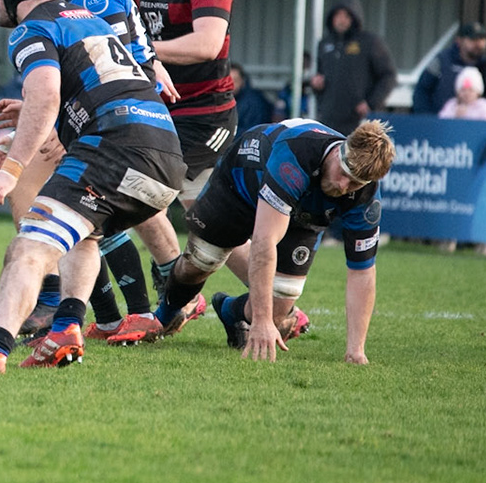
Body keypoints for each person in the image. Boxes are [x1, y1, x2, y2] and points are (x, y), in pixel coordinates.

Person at [0, 0, 185, 374]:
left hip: (116, 149)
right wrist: (34, 114)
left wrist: (11, 171)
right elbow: (97, 85)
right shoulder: (89, 20)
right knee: (84, 237)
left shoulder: (32, 29)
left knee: (28, 247)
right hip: (165, 159)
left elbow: (45, 93)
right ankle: (66, 329)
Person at [10, 0, 174, 341]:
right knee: (92, 208)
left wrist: (59, 123)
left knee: (74, 195)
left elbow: (112, 63)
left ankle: (143, 296)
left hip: (127, 115)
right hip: (104, 113)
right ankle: (105, 309)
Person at [138, 118, 396, 364]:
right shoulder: (296, 155)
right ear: (340, 150)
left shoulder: (366, 195)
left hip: (303, 214)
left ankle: (228, 310)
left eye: (354, 182)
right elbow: (264, 241)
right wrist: (260, 323)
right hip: (240, 187)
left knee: (281, 304)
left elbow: (362, 271)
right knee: (199, 263)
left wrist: (356, 350)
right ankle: (165, 316)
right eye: (343, 171)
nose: (343, 185)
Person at [125, 0, 237, 207]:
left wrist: (145, 51)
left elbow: (207, 45)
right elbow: (120, 25)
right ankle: (170, 262)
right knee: (202, 223)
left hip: (203, 114)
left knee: (131, 193)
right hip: (155, 107)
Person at [311, 0, 397, 137]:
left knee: (356, 157)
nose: (341, 20)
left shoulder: (369, 42)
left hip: (358, 120)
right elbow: (320, 75)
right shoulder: (324, 44)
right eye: (338, 15)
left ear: (354, 18)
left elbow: (388, 76)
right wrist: (316, 85)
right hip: (328, 119)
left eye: (346, 16)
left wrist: (371, 103)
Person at [412, 21, 486, 115]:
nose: (478, 44)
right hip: (441, 122)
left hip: (475, 126)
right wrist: (427, 117)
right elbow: (422, 89)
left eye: (482, 39)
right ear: (459, 41)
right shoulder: (442, 60)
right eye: (473, 39)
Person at [231, 64, 274, 132]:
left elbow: (252, 131)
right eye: (227, 81)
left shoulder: (254, 103)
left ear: (242, 81)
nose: (231, 85)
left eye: (235, 80)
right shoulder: (220, 99)